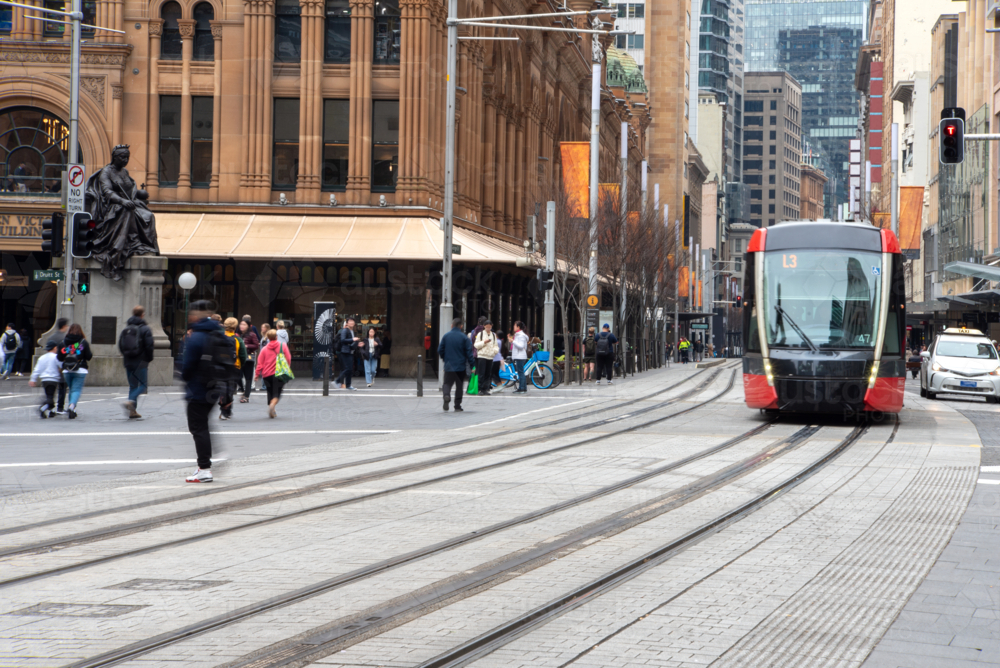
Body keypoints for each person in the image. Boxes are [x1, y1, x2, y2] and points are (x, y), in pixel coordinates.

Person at [181, 300, 229, 483]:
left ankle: (204, 469)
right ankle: (205, 464)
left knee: (198, 428)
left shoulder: (196, 337)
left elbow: (187, 367)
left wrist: (186, 379)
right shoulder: (219, 334)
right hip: (214, 388)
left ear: (195, 315)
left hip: (197, 389)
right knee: (204, 426)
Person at [118, 305, 155, 419]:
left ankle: (132, 412)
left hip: (128, 361)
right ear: (142, 315)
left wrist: (126, 356)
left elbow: (120, 345)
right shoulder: (145, 328)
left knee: (133, 385)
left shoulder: (126, 328)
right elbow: (149, 345)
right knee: (143, 386)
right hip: (141, 361)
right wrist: (149, 358)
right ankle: (130, 401)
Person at [57, 324, 93, 419]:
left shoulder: (63, 343)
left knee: (72, 389)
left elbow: (59, 358)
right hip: (80, 369)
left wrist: (68, 353)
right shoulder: (83, 342)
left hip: (67, 370)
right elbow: (89, 356)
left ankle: (73, 408)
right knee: (76, 389)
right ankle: (72, 406)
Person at [438, 317, 474, 411]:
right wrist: (472, 365)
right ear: (461, 326)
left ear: (451, 325)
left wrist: (445, 358)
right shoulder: (464, 337)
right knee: (459, 386)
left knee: (447, 383)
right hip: (460, 366)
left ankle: (446, 395)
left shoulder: (446, 336)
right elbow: (469, 353)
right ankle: (457, 405)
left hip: (449, 365)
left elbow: (440, 350)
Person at [255, 328, 292, 418]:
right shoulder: (282, 345)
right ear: (276, 337)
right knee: (277, 393)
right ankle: (272, 405)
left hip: (266, 374)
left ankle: (272, 409)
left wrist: (256, 374)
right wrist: (287, 367)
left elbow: (259, 363)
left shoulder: (264, 349)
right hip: (279, 373)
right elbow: (288, 358)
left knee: (270, 391)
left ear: (268, 338)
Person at [219, 317, 247, 420]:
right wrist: (240, 365)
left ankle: (223, 410)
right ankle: (227, 411)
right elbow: (243, 356)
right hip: (234, 367)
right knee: (231, 389)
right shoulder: (238, 339)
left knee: (223, 389)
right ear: (235, 327)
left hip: (220, 367)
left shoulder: (219, 338)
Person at [29, 341, 62, 419]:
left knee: (49, 395)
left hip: (44, 379)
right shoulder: (56, 357)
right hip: (53, 379)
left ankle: (51, 411)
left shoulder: (42, 358)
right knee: (50, 396)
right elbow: (61, 365)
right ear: (54, 348)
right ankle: (43, 408)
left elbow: (37, 369)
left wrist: (33, 379)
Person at [47, 318, 69, 414]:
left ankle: (50, 406)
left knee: (51, 389)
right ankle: (60, 407)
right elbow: (68, 352)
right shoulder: (65, 338)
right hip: (62, 365)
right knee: (62, 387)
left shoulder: (51, 337)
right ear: (64, 326)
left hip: (51, 366)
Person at [473, 320, 499, 396]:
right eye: (487, 327)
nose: (488, 328)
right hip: (482, 356)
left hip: (490, 356)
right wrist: (484, 342)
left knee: (488, 374)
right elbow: (476, 345)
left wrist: (494, 351)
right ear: (484, 326)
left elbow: (496, 345)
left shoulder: (493, 335)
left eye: (490, 327)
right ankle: (480, 389)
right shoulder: (480, 334)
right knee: (481, 373)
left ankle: (485, 388)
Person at [334, 317, 360, 390]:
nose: (352, 322)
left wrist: (357, 343)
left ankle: (348, 385)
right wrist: (352, 339)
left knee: (350, 369)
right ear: (347, 323)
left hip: (350, 352)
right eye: (350, 321)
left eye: (353, 321)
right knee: (347, 368)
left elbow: (351, 342)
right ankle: (337, 381)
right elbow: (343, 340)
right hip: (345, 352)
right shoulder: (345, 330)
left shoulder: (352, 331)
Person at [238, 320, 259, 402]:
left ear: (248, 326)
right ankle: (243, 390)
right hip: (239, 358)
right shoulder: (238, 334)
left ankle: (246, 396)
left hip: (248, 358)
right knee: (238, 376)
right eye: (241, 324)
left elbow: (256, 345)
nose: (242, 326)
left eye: (244, 324)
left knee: (248, 378)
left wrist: (246, 345)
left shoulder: (252, 334)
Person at [511, 321, 529, 393]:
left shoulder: (520, 335)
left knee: (520, 372)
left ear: (518, 327)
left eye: (514, 326)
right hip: (520, 356)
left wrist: (513, 341)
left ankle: (522, 388)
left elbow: (521, 346)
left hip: (520, 356)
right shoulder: (518, 335)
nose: (513, 327)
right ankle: (523, 388)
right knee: (521, 372)